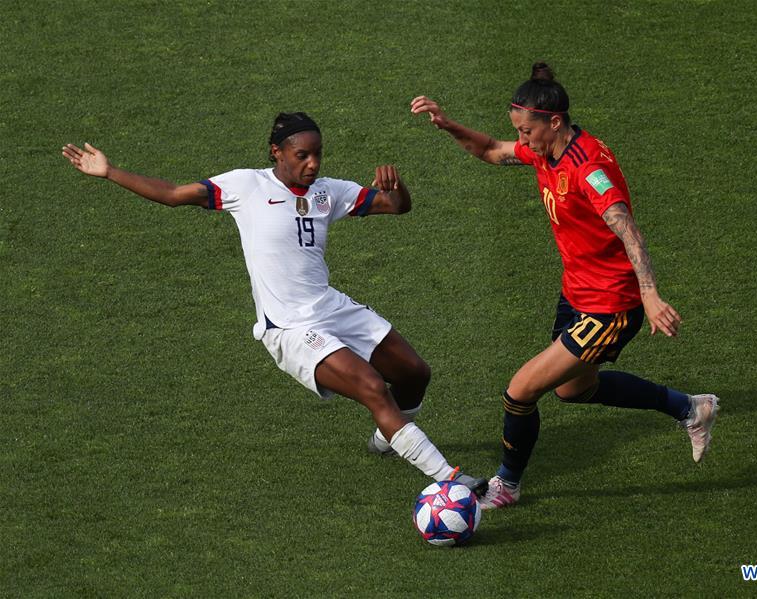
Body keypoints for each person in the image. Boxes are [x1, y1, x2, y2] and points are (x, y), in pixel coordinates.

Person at [61, 112, 486, 496]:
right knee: (374, 389)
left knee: (414, 373)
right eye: (302, 155)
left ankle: (388, 437)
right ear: (277, 152)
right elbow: (174, 193)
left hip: (331, 307)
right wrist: (110, 171)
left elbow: (396, 207)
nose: (313, 164)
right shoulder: (246, 186)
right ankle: (449, 479)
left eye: (318, 154)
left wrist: (398, 190)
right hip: (289, 327)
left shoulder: (327, 192)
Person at [411, 64, 719, 509]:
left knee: (520, 391)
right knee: (574, 390)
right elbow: (492, 150)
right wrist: (448, 125)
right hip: (577, 293)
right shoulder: (546, 150)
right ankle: (691, 408)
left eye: (527, 130)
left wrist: (650, 294)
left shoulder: (588, 167)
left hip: (610, 306)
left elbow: (628, 230)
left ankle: (507, 485)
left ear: (554, 122)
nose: (522, 138)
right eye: (519, 130)